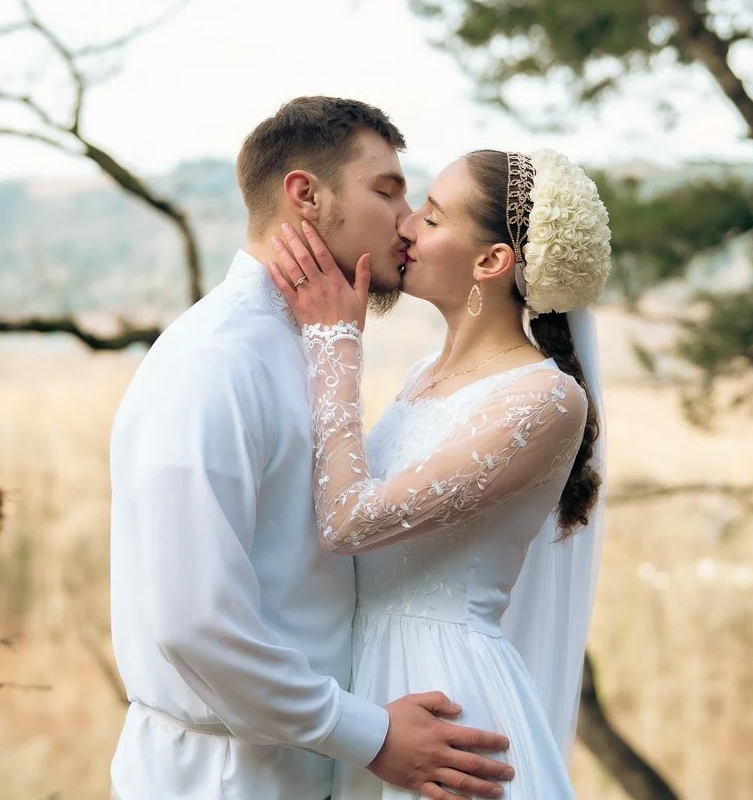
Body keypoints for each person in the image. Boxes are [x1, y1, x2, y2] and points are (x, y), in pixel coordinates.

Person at [108, 97, 517, 800]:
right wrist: (370, 733)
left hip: (317, 772)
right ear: (306, 194)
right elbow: (192, 622)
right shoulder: (215, 362)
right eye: (386, 190)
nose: (406, 220)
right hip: (220, 778)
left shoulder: (315, 345)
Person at [266, 146, 611, 799]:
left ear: (491, 261)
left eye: (432, 216)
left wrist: (336, 339)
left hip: (449, 701)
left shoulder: (544, 399)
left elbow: (349, 519)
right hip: (373, 695)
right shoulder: (426, 375)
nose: (405, 226)